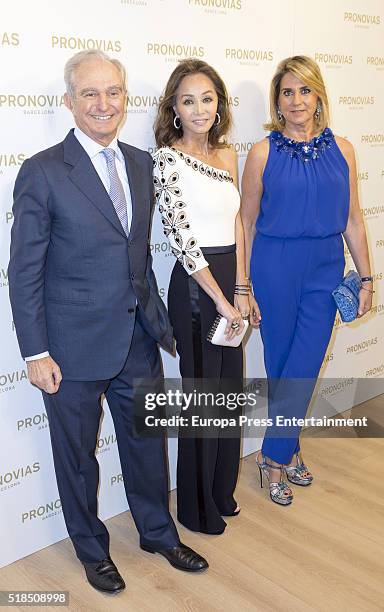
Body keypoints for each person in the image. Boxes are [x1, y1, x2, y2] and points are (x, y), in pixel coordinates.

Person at [8, 50, 208, 595]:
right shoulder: (43, 171)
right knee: (76, 460)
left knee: (147, 445)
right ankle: (92, 551)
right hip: (68, 350)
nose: (103, 104)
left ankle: (157, 533)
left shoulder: (143, 163)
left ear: (126, 98)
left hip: (136, 338)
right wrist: (34, 352)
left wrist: (158, 323)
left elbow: (137, 256)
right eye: (90, 94)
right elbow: (23, 271)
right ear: (69, 101)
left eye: (113, 92)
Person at [241, 55, 373, 505]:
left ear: (319, 96)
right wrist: (245, 284)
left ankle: (272, 456)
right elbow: (247, 222)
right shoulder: (263, 152)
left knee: (304, 364)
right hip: (274, 265)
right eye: (287, 92)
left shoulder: (345, 149)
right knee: (281, 365)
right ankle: (288, 452)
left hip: (325, 265)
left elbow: (354, 220)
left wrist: (368, 278)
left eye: (304, 90)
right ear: (278, 100)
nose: (296, 100)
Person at [153, 59, 257, 534]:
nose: (199, 109)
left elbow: (236, 222)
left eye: (207, 99)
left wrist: (241, 287)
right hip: (195, 290)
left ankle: (220, 492)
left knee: (229, 394)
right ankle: (195, 510)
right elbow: (181, 238)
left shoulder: (228, 155)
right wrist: (219, 299)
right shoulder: (166, 159)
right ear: (174, 107)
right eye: (188, 100)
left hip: (228, 282)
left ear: (219, 105)